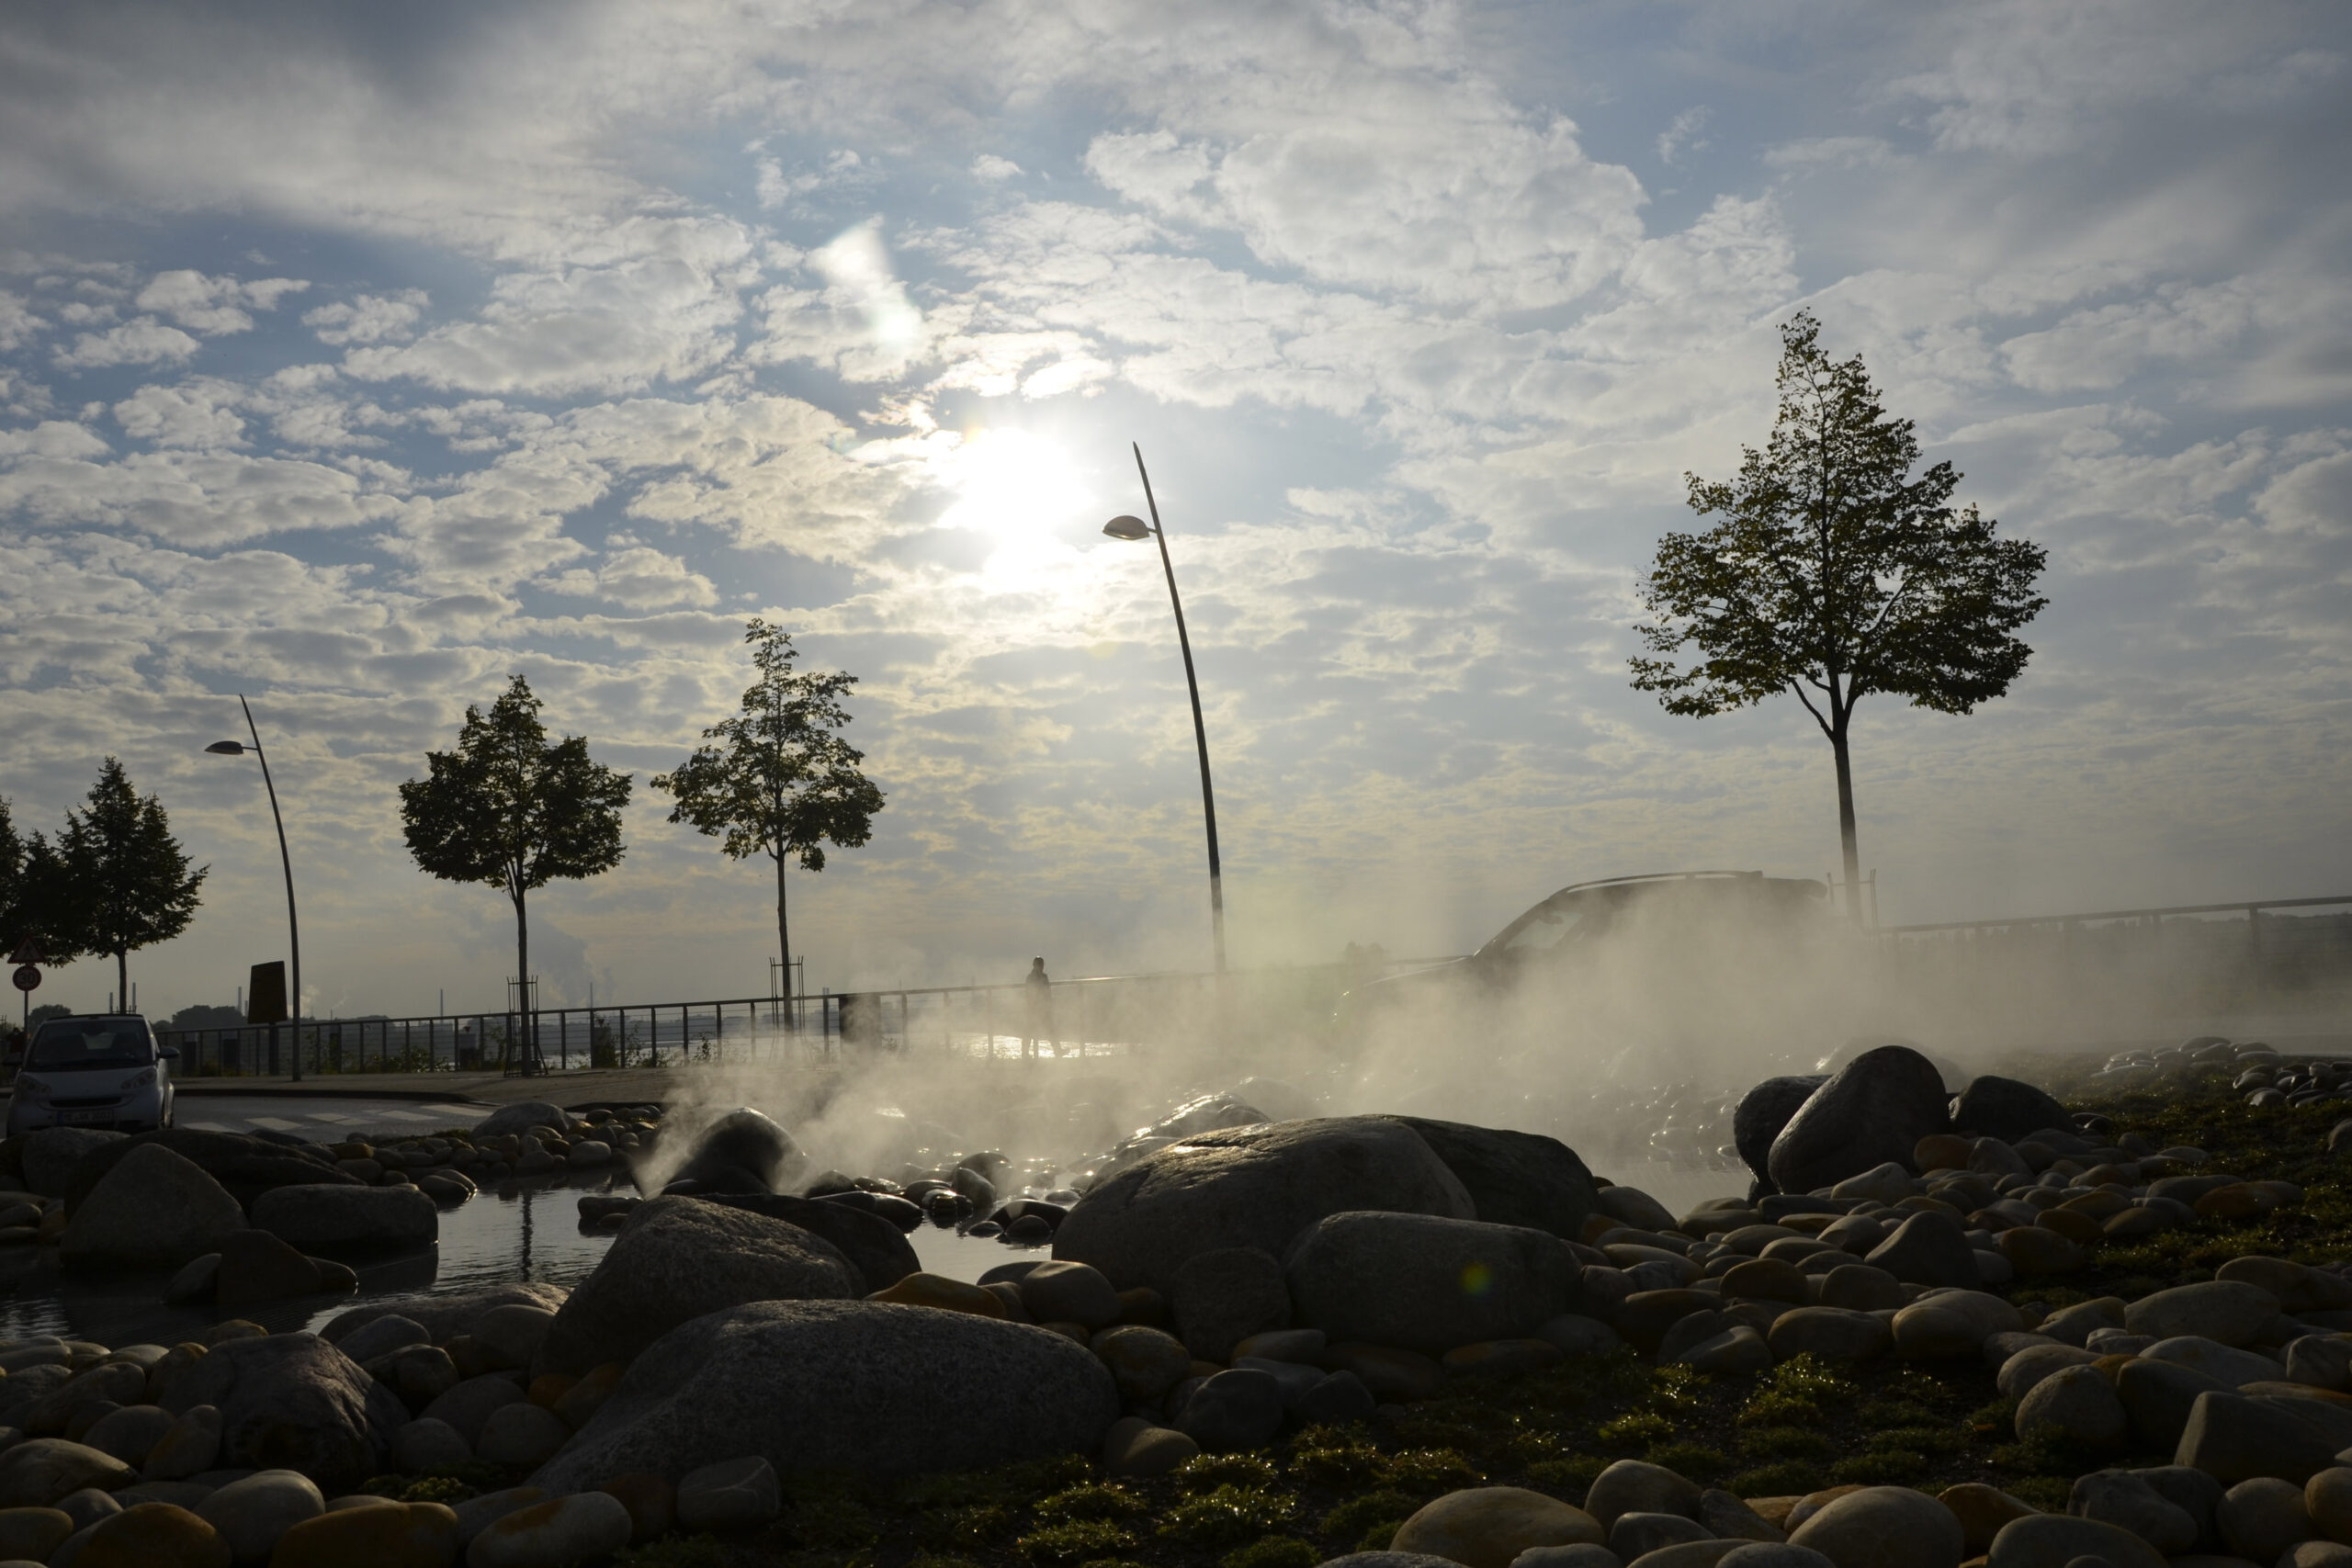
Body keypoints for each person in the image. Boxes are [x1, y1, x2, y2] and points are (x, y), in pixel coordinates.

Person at [1023, 957, 1055, 1058]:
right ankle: (1058, 1051)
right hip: (1038, 1008)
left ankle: (1025, 1053)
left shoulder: (1030, 977)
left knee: (1030, 1031)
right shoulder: (1041, 977)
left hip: (1037, 1008)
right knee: (1049, 1030)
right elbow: (1047, 993)